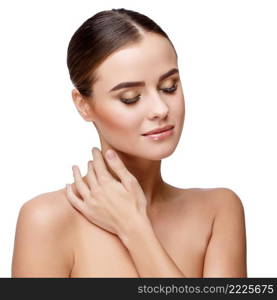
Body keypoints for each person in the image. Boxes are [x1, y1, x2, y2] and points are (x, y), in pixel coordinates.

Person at [12, 8, 247, 278]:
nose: (160, 109)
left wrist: (134, 228)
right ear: (83, 105)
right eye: (131, 97)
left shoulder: (218, 211)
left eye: (169, 86)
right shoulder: (46, 221)